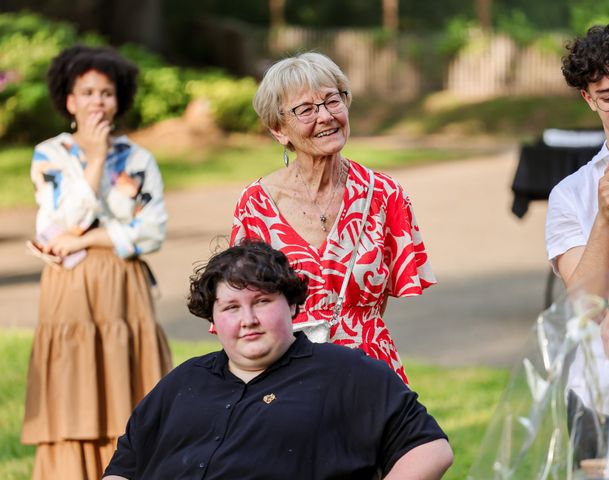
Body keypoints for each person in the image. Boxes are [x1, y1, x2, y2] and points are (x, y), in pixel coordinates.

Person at [102, 240, 453, 480]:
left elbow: (430, 449)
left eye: (262, 302)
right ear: (213, 320)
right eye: (230, 308)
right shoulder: (184, 382)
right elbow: (124, 468)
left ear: (293, 305)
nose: (248, 319)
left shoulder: (344, 371)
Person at [230, 52, 436, 384]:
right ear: (279, 130)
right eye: (306, 110)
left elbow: (379, 302)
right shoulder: (256, 205)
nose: (325, 116)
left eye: (332, 101)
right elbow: (242, 306)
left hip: (369, 373)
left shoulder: (385, 195)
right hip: (285, 377)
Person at [21, 45, 172, 479]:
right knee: (74, 382)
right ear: (69, 100)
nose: (96, 102)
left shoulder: (140, 159)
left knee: (129, 391)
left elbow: (152, 232)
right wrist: (97, 158)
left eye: (106, 93)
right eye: (86, 92)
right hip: (70, 288)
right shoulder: (50, 156)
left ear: (118, 99)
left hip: (125, 287)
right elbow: (64, 218)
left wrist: (94, 239)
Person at [545, 21, 609, 464]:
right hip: (604, 389)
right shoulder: (572, 193)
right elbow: (584, 306)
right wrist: (604, 218)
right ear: (588, 98)